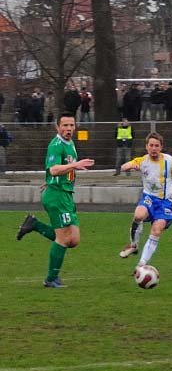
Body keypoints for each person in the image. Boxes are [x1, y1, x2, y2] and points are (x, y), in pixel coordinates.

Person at [16, 112, 95, 287]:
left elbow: (57, 171)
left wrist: (53, 179)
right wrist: (74, 165)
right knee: (64, 238)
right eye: (65, 125)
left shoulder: (71, 143)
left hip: (65, 194)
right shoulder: (56, 144)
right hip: (57, 195)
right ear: (57, 127)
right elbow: (53, 169)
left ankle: (34, 225)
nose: (68, 129)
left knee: (73, 239)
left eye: (71, 125)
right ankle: (51, 279)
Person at [118, 132, 172, 269]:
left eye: (156, 146)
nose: (153, 148)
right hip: (149, 198)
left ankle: (142, 264)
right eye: (151, 145)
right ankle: (133, 245)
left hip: (165, 202)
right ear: (146, 147)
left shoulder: (169, 161)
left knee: (156, 230)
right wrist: (127, 166)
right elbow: (124, 166)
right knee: (138, 215)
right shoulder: (142, 161)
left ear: (161, 147)